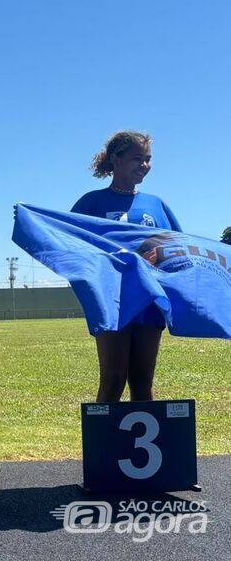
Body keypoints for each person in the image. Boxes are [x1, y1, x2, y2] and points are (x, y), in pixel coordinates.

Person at [71, 131, 181, 403]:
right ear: (115, 160)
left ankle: (139, 447)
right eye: (136, 159)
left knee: (143, 384)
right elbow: (72, 249)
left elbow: (178, 249)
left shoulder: (157, 205)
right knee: (113, 379)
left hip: (149, 301)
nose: (144, 165)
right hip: (112, 302)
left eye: (148, 159)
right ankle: (104, 445)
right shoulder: (91, 203)